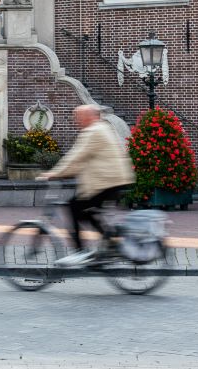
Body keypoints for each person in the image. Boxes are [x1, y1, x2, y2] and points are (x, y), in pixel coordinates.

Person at [40, 103, 135, 268]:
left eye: (79, 117)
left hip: (107, 182)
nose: (76, 120)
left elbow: (76, 156)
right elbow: (82, 160)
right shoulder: (102, 129)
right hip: (113, 181)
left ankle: (80, 252)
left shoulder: (93, 131)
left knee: (73, 206)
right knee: (86, 212)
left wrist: (54, 173)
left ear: (90, 116)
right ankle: (111, 244)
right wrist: (65, 172)